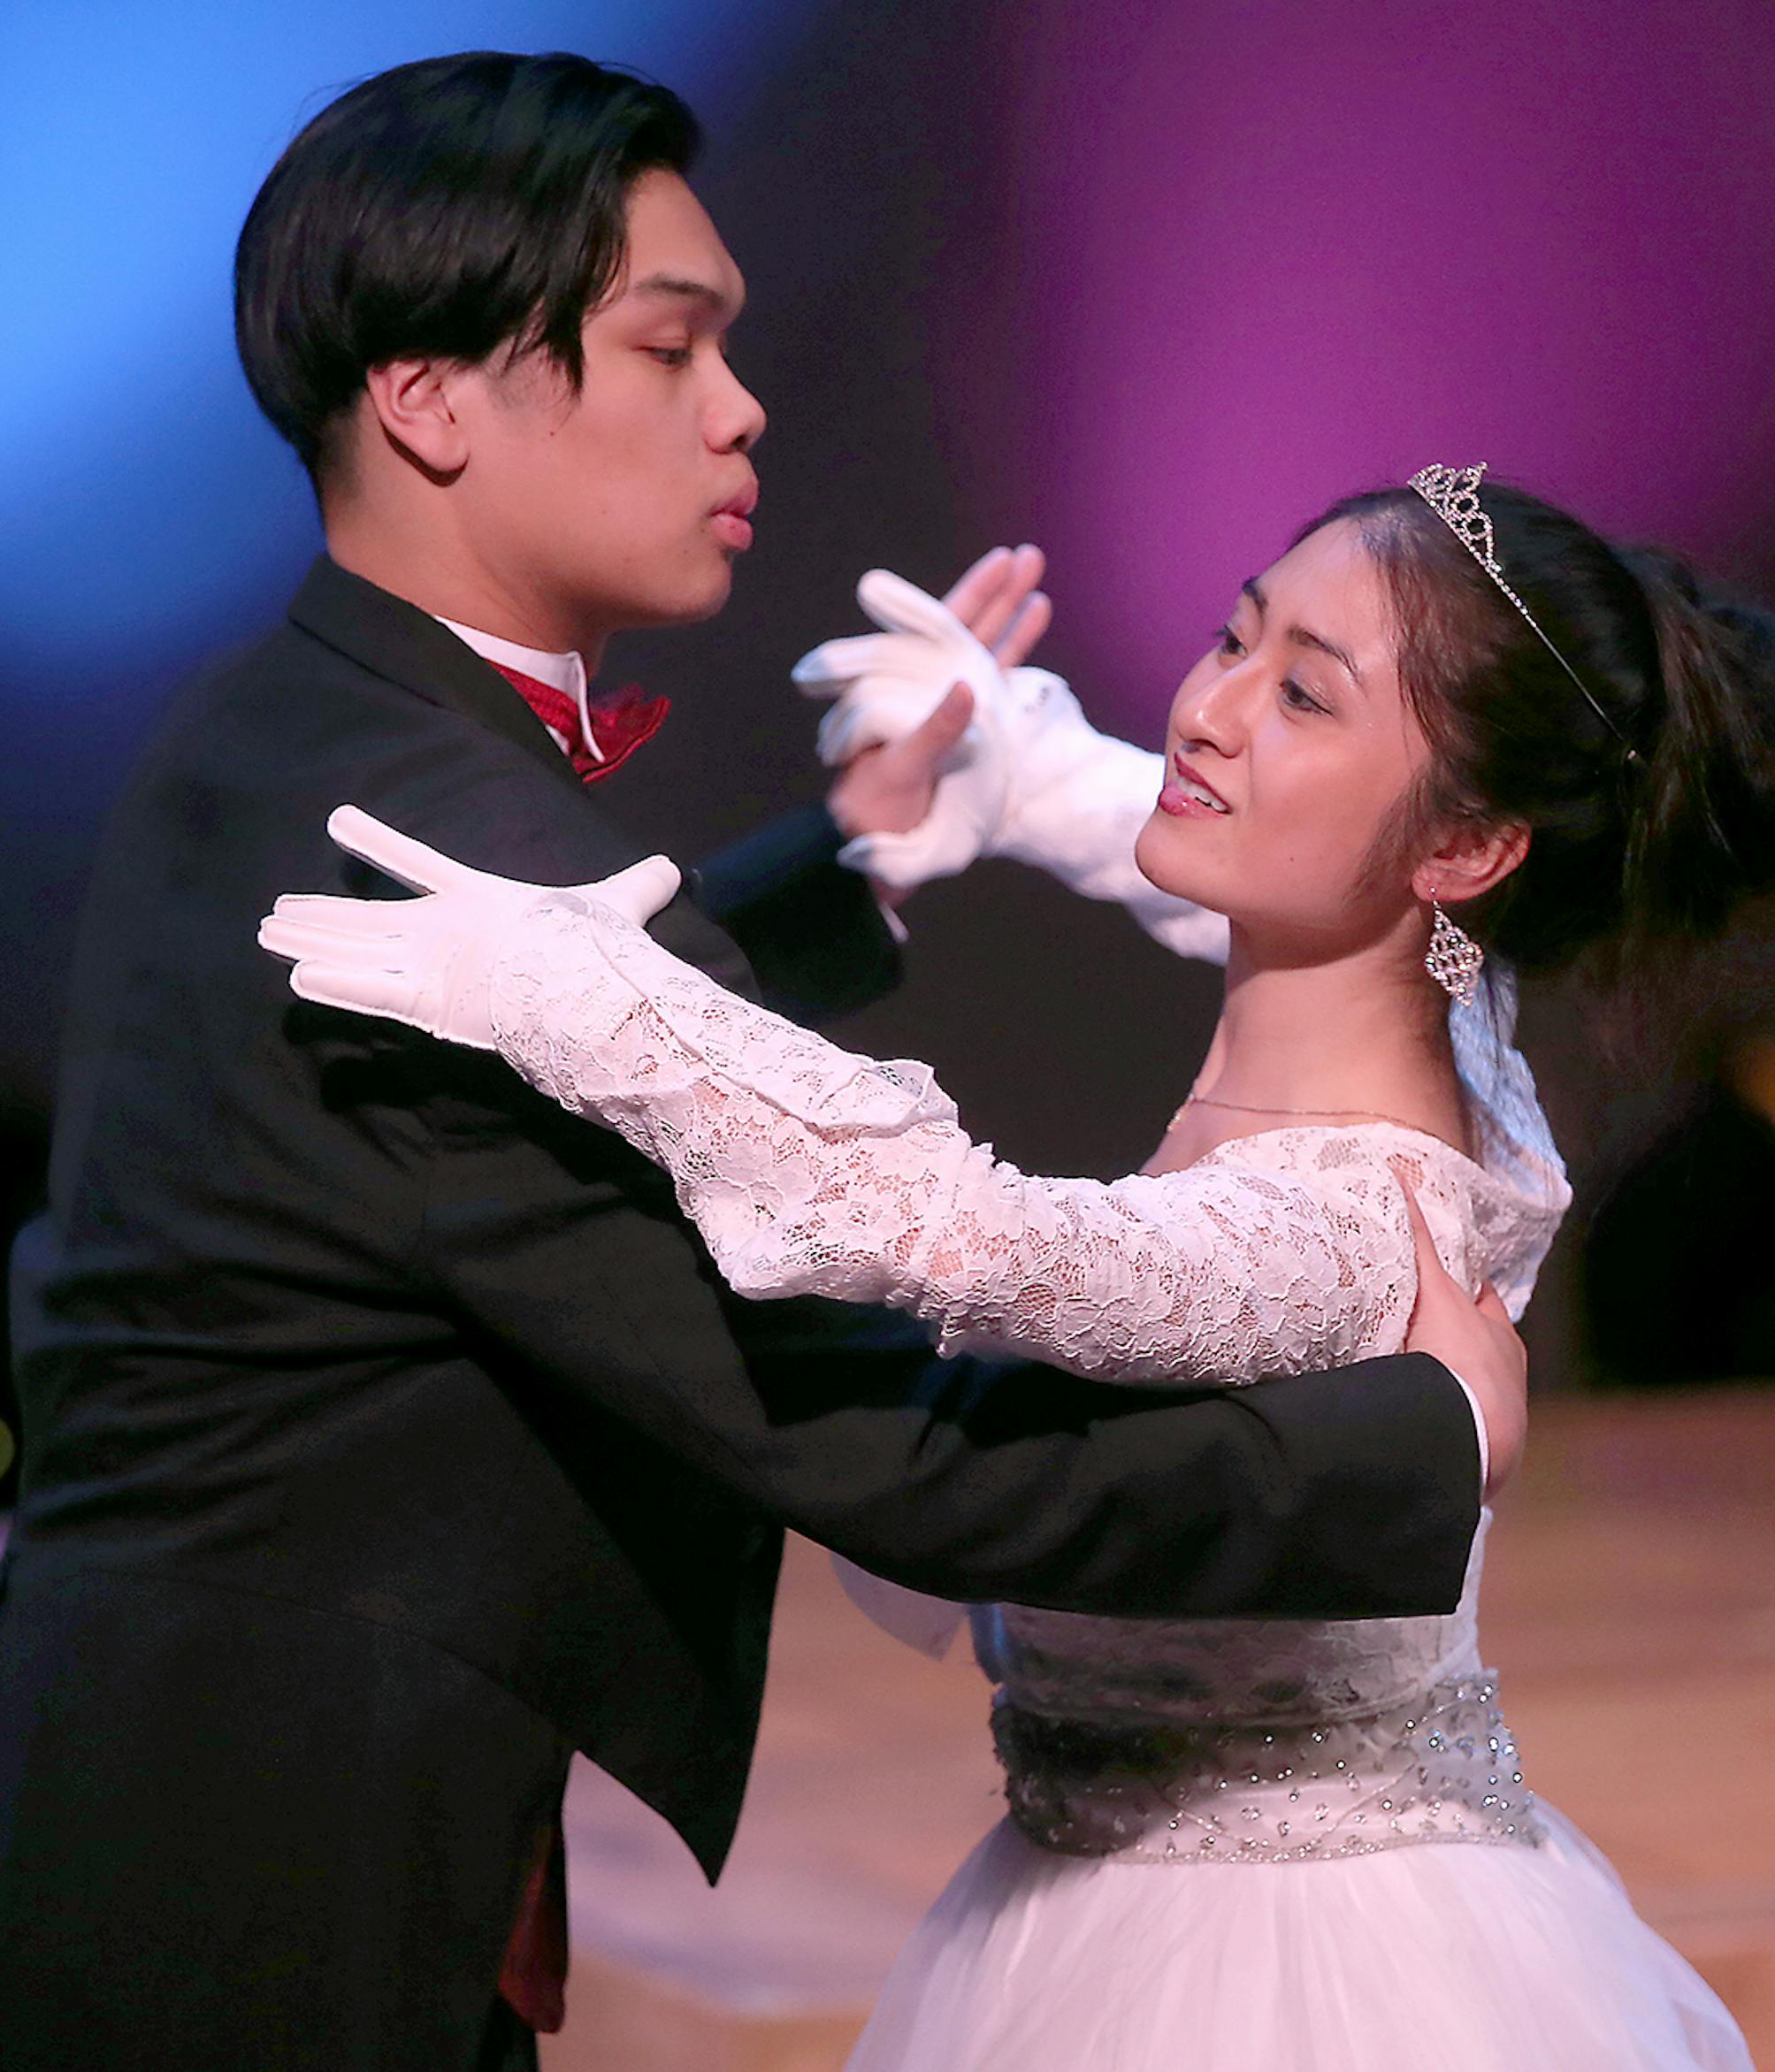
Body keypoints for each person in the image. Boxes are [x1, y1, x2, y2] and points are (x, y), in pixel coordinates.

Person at [0, 54, 1518, 2072]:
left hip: (168, 1740)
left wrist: (840, 865)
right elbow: (881, 1442)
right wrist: (1421, 1438)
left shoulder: (302, 736)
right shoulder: (446, 851)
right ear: (430, 399)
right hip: (272, 1852)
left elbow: (543, 1062)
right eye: (670, 346)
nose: (742, 407)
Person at [264, 463, 1775, 2067]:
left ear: (1464, 847)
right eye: (1235, 637)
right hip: (1096, 1887)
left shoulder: (1345, 1226)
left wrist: (595, 1004)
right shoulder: (1459, 1039)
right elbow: (1226, 862)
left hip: (1286, 1974)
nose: (1209, 712)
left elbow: (969, 1233)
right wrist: (1018, 764)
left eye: (1304, 693)